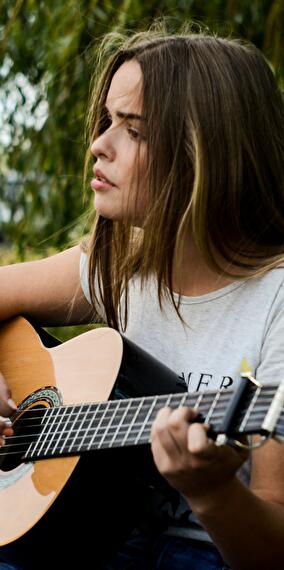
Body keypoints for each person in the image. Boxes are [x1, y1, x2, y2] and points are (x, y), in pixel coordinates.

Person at [0, 23, 284, 570]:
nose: (97, 145)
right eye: (107, 120)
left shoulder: (273, 302)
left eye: (134, 130)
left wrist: (214, 494)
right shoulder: (120, 264)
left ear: (207, 155)